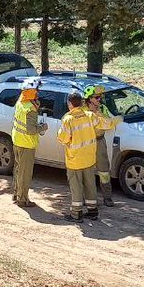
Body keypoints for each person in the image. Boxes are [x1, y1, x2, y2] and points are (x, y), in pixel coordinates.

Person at [57, 91, 107, 222]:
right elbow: (104, 124)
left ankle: (76, 214)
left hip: (75, 160)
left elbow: (63, 139)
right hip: (89, 159)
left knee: (76, 186)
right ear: (82, 102)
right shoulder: (90, 115)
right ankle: (92, 211)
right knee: (90, 185)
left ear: (70, 104)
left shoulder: (68, 119)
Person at [11, 77, 47, 207]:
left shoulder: (21, 102)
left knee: (18, 170)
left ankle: (16, 194)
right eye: (36, 90)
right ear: (31, 92)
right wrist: (43, 127)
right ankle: (22, 199)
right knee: (25, 173)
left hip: (17, 141)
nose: (38, 93)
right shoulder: (30, 110)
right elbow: (31, 130)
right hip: (27, 144)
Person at [85, 85, 123, 206]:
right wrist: (119, 119)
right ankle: (86, 198)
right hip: (87, 143)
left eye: (100, 97)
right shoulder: (83, 112)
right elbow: (108, 123)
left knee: (104, 172)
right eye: (97, 97)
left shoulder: (102, 109)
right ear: (89, 99)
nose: (99, 100)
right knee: (86, 171)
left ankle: (107, 197)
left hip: (100, 141)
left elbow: (108, 119)